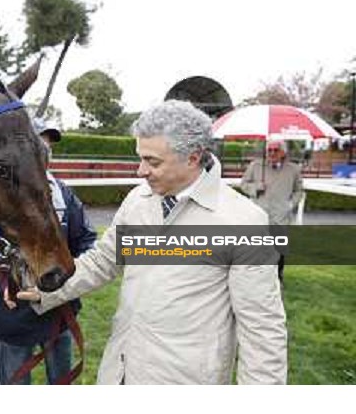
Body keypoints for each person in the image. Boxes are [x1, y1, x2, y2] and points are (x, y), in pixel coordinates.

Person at [18, 100, 287, 385]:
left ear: (193, 158)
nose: (140, 171)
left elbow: (262, 329)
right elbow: (103, 261)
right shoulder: (138, 201)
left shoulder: (244, 221)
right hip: (120, 372)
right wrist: (45, 289)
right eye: (140, 158)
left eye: (152, 161)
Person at [0, 118, 97, 385]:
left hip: (59, 317)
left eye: (47, 149)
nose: (44, 154)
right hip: (11, 323)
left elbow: (89, 244)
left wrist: (70, 284)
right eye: (38, 146)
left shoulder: (64, 195)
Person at [240, 139, 303, 281]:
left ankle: (278, 277)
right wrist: (256, 187)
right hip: (259, 214)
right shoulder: (256, 166)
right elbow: (243, 184)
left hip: (281, 215)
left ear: (283, 153)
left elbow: (298, 191)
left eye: (276, 150)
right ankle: (255, 276)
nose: (272, 153)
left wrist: (290, 205)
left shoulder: (293, 169)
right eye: (269, 150)